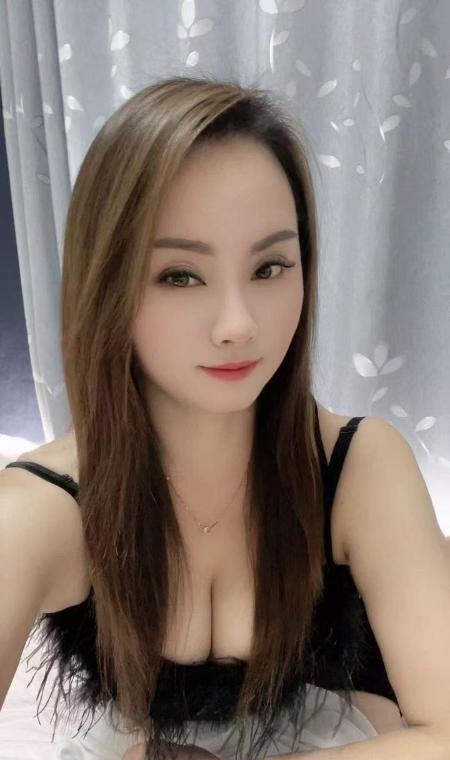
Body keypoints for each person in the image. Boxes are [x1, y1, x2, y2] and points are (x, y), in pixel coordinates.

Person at [3, 75, 446, 760]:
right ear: (107, 284)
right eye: (180, 275)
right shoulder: (41, 508)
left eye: (270, 267)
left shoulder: (359, 466)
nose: (238, 324)